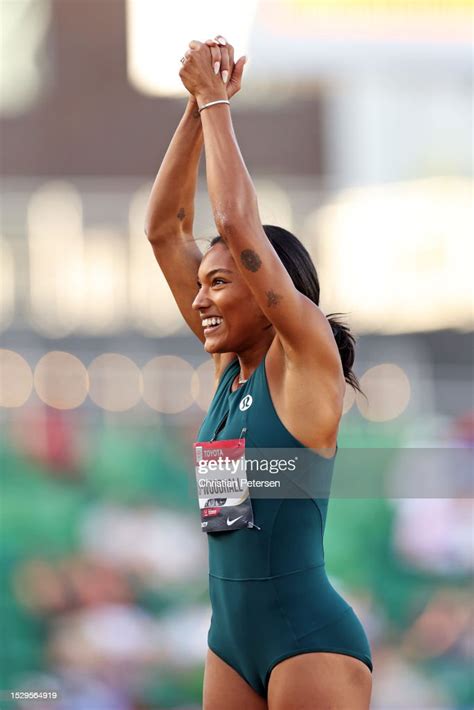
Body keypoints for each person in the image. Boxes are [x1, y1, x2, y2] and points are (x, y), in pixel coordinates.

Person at [145, 35, 373, 710]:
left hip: (308, 641)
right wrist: (193, 107)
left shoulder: (306, 360)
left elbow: (239, 223)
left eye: (219, 283)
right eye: (200, 285)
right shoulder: (230, 368)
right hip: (230, 641)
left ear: (264, 286)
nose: (199, 299)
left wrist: (218, 101)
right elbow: (164, 229)